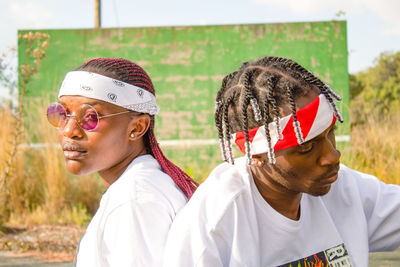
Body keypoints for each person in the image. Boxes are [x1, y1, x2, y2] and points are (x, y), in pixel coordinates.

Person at [163, 56, 400, 267]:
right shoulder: (213, 225)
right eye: (306, 147)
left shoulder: (347, 189)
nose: (332, 156)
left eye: (330, 134)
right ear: (256, 155)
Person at [46, 58, 198, 267]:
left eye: (90, 116)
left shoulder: (135, 199)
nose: (68, 130)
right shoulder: (141, 186)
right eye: (62, 114)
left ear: (137, 127)